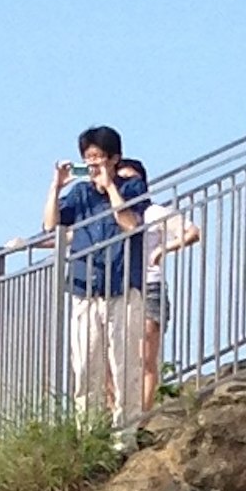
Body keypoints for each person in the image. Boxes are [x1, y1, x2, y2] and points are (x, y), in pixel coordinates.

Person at [50, 123, 158, 435]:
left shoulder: (133, 189)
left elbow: (128, 223)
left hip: (123, 287)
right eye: (89, 158)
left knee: (124, 365)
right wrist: (56, 186)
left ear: (115, 158)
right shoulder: (80, 193)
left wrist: (110, 186)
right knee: (85, 365)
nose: (93, 164)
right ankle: (89, 433)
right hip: (85, 290)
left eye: (99, 158)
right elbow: (50, 224)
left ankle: (125, 433)